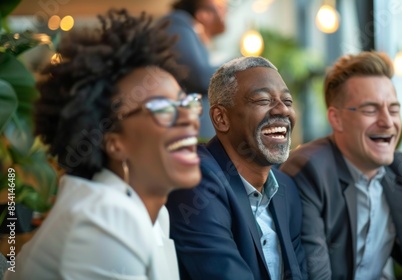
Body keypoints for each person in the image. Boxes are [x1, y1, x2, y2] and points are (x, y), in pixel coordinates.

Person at [5, 9, 202, 280]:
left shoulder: (154, 215)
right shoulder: (104, 218)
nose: (189, 118)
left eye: (187, 102)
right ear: (114, 142)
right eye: (162, 107)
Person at [280, 51, 402, 280]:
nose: (387, 121)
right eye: (370, 110)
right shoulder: (308, 172)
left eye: (394, 109)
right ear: (336, 118)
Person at [166, 56, 308, 280]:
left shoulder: (286, 189)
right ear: (221, 118)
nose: (282, 110)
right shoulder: (197, 179)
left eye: (288, 102)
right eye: (263, 100)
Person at [162, 0, 227, 140]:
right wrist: (236, 66)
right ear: (203, 13)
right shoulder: (178, 23)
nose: (225, 12)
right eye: (220, 7)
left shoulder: (192, 32)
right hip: (185, 135)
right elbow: (200, 77)